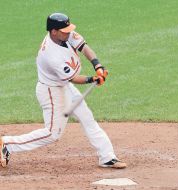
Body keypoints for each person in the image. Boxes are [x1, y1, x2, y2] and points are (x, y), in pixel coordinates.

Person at [0, 13, 126, 169]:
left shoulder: (63, 35)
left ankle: (107, 157)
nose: (69, 32)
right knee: (52, 134)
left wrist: (98, 66)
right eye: (64, 30)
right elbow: (73, 78)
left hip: (64, 86)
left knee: (87, 118)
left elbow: (84, 47)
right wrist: (93, 79)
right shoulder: (51, 55)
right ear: (54, 31)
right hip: (52, 92)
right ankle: (7, 143)